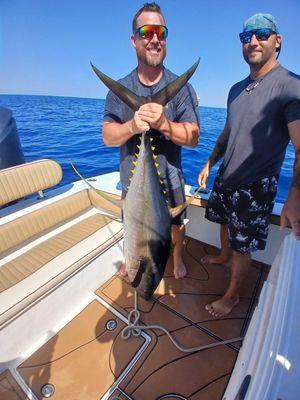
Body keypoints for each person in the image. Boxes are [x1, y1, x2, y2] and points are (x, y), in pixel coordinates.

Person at [198, 13, 300, 317]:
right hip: (226, 175)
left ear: (277, 41)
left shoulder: (290, 86)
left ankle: (232, 296)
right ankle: (222, 255)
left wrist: (294, 196)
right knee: (223, 223)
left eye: (261, 34)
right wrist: (208, 163)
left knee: (245, 246)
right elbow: (227, 134)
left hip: (257, 183)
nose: (253, 41)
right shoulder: (235, 89)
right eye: (246, 37)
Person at [102, 2, 200, 279]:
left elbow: (193, 137)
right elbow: (108, 136)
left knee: (176, 225)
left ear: (165, 39)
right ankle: (132, 256)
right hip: (133, 183)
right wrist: (134, 125)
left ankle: (177, 257)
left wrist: (163, 124)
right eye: (146, 32)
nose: (154, 39)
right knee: (132, 222)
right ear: (134, 40)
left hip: (172, 180)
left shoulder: (182, 89)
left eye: (161, 32)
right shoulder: (119, 91)